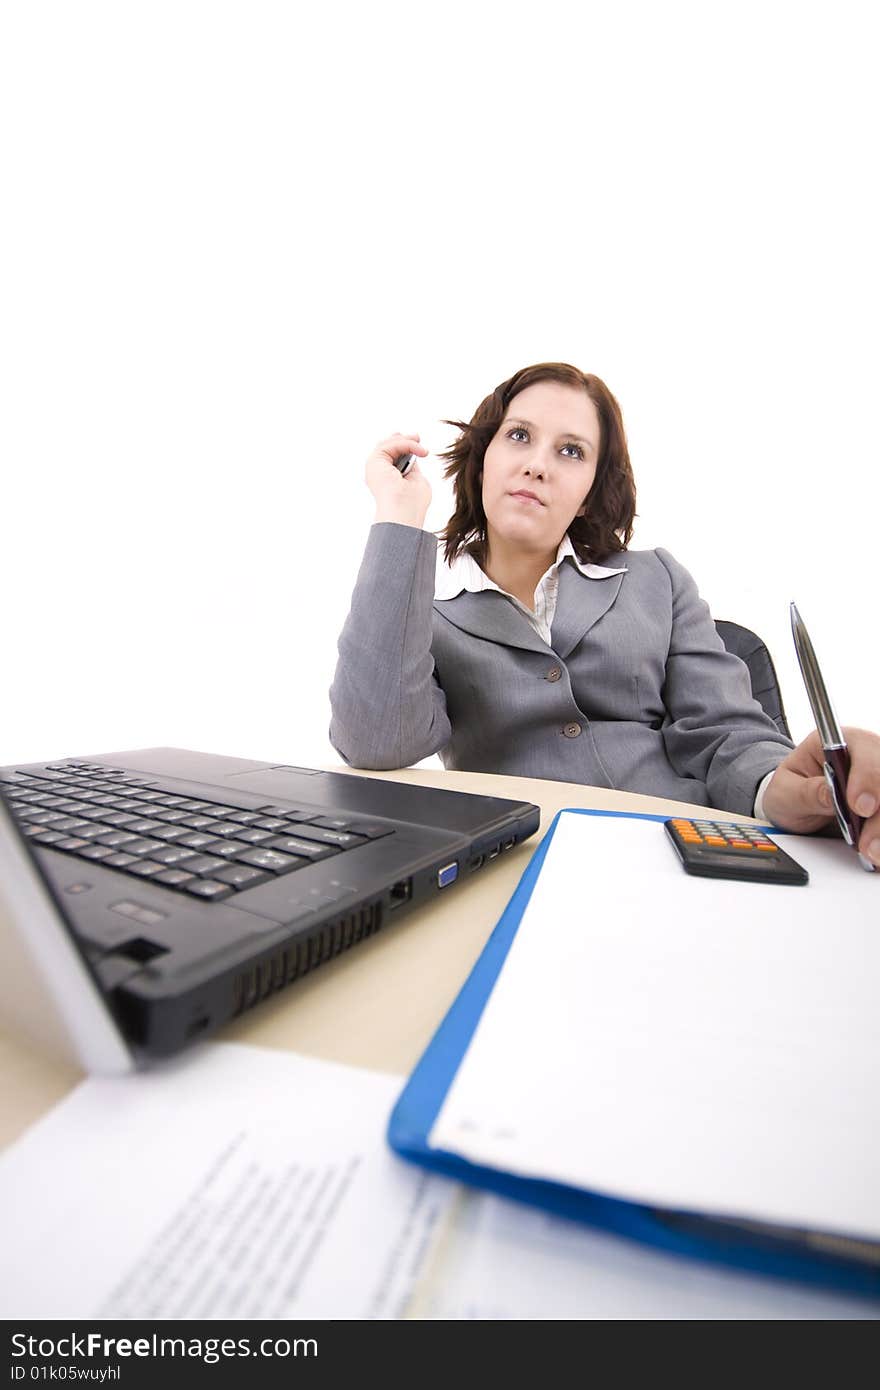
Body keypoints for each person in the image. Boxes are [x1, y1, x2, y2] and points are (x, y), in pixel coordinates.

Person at [329, 361, 880, 862]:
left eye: (571, 451)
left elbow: (723, 732)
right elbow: (376, 744)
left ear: (590, 492)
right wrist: (399, 518)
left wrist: (781, 791)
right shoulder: (419, 611)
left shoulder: (657, 579)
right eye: (518, 436)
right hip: (521, 858)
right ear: (482, 461)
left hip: (682, 847)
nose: (537, 466)